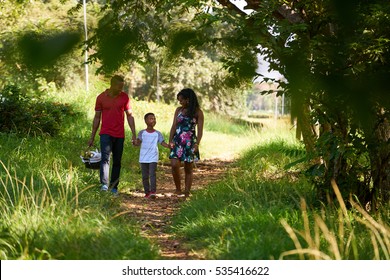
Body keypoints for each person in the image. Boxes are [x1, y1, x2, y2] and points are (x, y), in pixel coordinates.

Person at [88, 75, 136, 194]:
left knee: (117, 161)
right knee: (105, 158)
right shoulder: (101, 98)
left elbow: (129, 116)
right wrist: (92, 137)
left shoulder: (124, 97)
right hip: (105, 133)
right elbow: (97, 118)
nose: (121, 89)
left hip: (119, 134)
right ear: (112, 85)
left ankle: (114, 187)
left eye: (122, 87)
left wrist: (134, 134)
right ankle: (104, 184)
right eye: (119, 87)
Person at [169, 88, 204, 197]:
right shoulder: (178, 110)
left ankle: (187, 193)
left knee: (188, 168)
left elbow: (200, 131)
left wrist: (197, 144)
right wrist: (170, 140)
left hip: (190, 143)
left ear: (188, 99)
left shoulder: (198, 112)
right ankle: (178, 189)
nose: (180, 102)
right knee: (174, 165)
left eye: (181, 100)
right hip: (177, 142)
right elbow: (174, 126)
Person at [135, 113, 170, 198]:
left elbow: (162, 142)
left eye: (154, 119)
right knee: (144, 176)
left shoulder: (157, 133)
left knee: (152, 174)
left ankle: (153, 192)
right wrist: (135, 142)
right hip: (143, 158)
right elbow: (138, 142)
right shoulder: (142, 133)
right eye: (151, 119)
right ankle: (147, 192)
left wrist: (169, 146)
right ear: (146, 121)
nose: (153, 120)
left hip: (153, 157)